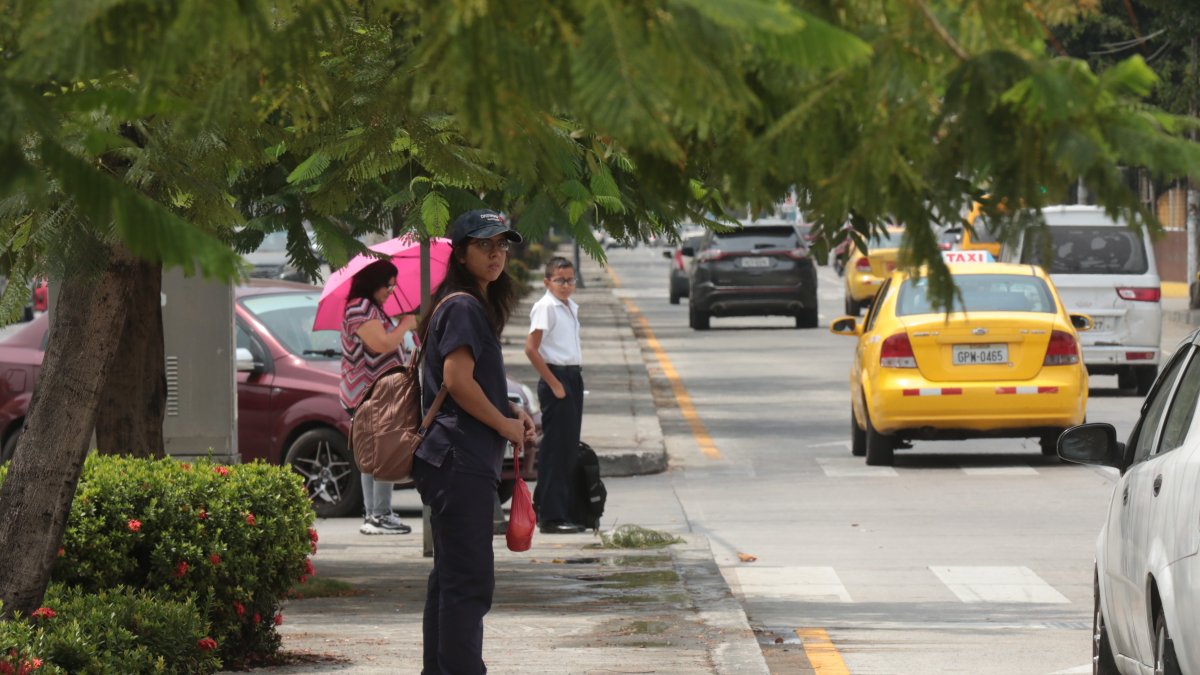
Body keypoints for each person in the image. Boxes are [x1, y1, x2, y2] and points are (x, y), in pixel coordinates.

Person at [414, 209, 537, 675]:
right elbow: (457, 381)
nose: (496, 254)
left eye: (502, 245)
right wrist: (503, 427)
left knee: (450, 580)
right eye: (485, 244)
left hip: (454, 461)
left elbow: (472, 382)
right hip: (458, 460)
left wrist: (510, 410)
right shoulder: (464, 305)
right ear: (460, 253)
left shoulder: (463, 303)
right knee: (469, 582)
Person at [339, 258, 415, 536]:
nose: (391, 291)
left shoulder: (374, 309)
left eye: (394, 285)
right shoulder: (359, 308)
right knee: (386, 451)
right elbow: (382, 344)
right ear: (373, 283)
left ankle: (375, 514)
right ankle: (378, 514)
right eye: (387, 285)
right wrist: (405, 325)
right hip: (369, 393)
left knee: (374, 453)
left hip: (380, 392)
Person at [523, 257, 585, 534]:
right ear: (547, 282)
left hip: (572, 376)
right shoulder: (545, 307)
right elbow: (531, 349)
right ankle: (551, 515)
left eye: (570, 280)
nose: (566, 285)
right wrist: (555, 383)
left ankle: (562, 510)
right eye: (560, 280)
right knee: (555, 450)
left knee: (567, 448)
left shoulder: (568, 307)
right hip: (556, 377)